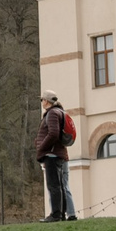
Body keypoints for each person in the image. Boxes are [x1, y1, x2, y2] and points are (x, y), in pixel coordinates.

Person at [35, 93, 73, 221]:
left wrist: (41, 148)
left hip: (51, 154)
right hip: (59, 153)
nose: (42, 102)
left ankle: (56, 214)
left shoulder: (51, 114)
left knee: (53, 185)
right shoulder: (60, 112)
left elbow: (53, 133)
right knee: (60, 185)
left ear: (46, 101)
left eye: (42, 100)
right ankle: (61, 214)